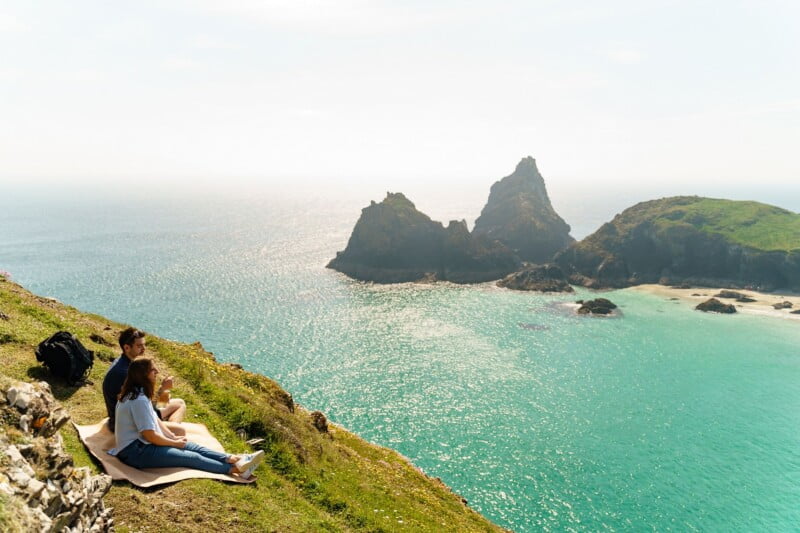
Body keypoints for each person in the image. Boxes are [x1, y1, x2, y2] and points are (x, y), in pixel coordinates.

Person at [108, 357, 263, 478]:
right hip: (137, 450)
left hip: (147, 434)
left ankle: (234, 458)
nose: (157, 372)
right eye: (153, 370)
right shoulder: (138, 399)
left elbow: (154, 417)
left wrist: (172, 438)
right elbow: (152, 427)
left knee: (191, 444)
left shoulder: (139, 393)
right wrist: (172, 442)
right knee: (191, 456)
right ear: (144, 375)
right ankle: (236, 469)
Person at [102, 327, 186, 434]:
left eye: (144, 345)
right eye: (139, 346)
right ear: (127, 347)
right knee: (180, 405)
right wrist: (164, 390)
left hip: (121, 417)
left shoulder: (122, 363)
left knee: (174, 402)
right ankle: (170, 433)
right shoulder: (128, 373)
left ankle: (168, 428)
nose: (144, 349)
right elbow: (148, 405)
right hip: (127, 424)